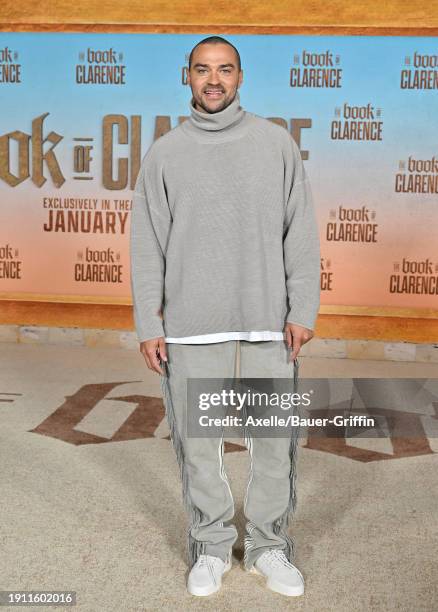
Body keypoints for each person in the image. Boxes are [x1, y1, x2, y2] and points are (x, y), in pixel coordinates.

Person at [129, 35, 320, 598]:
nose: (214, 80)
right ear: (186, 76)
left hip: (268, 317)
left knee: (273, 442)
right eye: (203, 70)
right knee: (198, 444)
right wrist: (149, 321)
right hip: (191, 322)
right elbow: (147, 245)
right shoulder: (164, 152)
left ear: (241, 77)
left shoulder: (276, 143)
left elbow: (301, 233)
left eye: (226, 70)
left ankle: (268, 546)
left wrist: (302, 307)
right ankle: (211, 547)